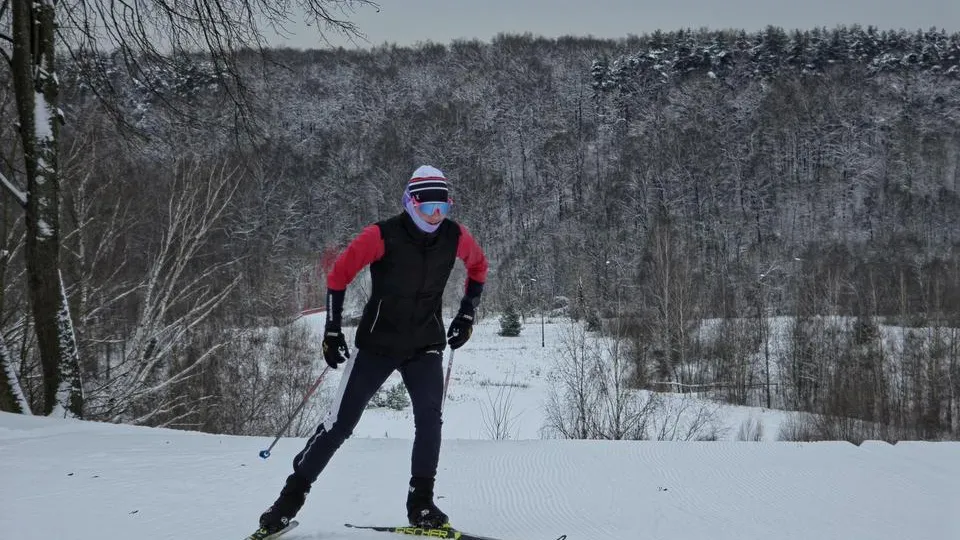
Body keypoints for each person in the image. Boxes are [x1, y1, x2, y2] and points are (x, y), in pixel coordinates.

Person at [255, 165, 489, 537]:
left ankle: (422, 505)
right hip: (378, 344)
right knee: (341, 425)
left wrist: (466, 314)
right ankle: (286, 504)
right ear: (410, 203)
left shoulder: (455, 237)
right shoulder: (381, 235)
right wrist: (332, 330)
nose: (435, 215)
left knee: (430, 421)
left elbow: (478, 268)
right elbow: (338, 276)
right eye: (428, 207)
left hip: (425, 343)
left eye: (442, 207)